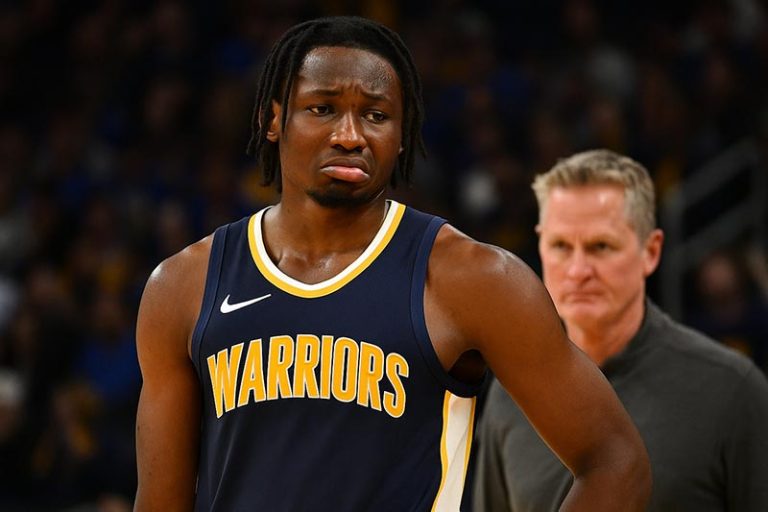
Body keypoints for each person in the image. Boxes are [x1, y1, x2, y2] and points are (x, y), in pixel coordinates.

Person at [134, 18, 651, 511]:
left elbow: (615, 460)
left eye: (376, 116)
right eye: (322, 108)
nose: (350, 135)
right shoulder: (183, 286)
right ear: (273, 120)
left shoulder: (472, 279)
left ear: (403, 135)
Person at [473, 149, 768, 511]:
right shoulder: (511, 393)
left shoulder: (733, 390)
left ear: (651, 251)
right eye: (561, 246)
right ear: (540, 246)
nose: (578, 271)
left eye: (600, 246)